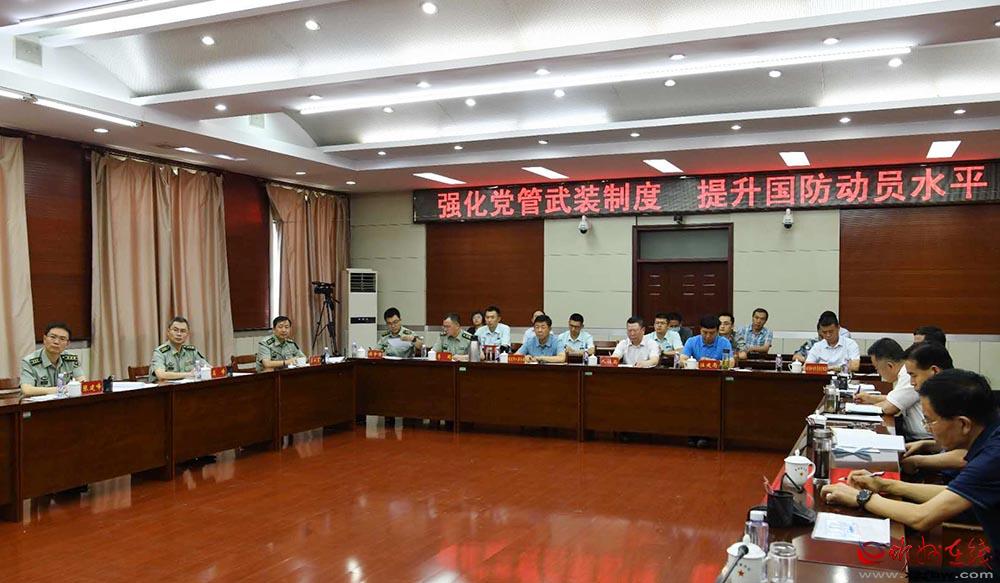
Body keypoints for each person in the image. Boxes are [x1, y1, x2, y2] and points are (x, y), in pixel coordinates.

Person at [821, 370, 1000, 573]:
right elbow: (952, 493)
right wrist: (886, 485)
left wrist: (861, 497)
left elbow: (922, 517)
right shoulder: (991, 436)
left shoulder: (992, 458)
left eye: (930, 421)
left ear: (963, 424)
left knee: (885, 574)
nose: (928, 428)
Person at [899, 342, 966, 475]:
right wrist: (926, 444)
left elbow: (969, 455)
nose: (912, 382)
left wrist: (918, 461)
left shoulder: (959, 396)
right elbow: (954, 443)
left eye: (913, 375)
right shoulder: (944, 392)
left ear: (934, 371)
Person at [854, 338, 931, 442]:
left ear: (890, 365)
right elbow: (895, 399)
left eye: (877, 368)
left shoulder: (908, 374)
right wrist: (870, 398)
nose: (878, 373)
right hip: (914, 435)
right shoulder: (907, 373)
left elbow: (889, 407)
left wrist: (858, 409)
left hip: (923, 440)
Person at [20, 322, 86, 396]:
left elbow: (82, 383)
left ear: (67, 344)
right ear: (44, 339)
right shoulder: (29, 361)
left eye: (62, 339)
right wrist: (60, 389)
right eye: (53, 337)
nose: (56, 342)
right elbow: (27, 390)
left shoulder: (71, 359)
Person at [150, 316, 208, 381]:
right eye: (175, 330)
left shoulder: (192, 351)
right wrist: (188, 374)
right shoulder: (160, 352)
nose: (179, 334)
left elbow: (208, 368)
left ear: (187, 334)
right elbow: (161, 375)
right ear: (168, 332)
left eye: (183, 331)